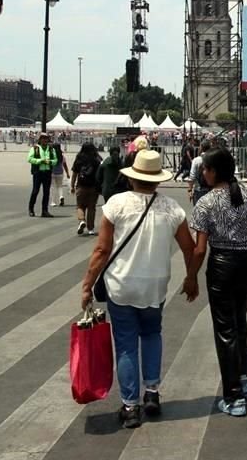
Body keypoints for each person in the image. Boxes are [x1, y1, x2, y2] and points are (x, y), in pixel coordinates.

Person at [80, 150, 198, 429]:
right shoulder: (173, 209)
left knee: (125, 346)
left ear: (132, 177)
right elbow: (189, 248)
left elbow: (101, 250)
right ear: (157, 180)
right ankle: (152, 393)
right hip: (155, 287)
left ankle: (130, 406)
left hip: (121, 286)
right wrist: (191, 278)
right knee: (152, 335)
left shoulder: (115, 205)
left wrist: (87, 285)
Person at [187, 148, 247, 418]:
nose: (203, 173)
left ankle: (233, 395)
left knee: (225, 329)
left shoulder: (206, 202)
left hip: (222, 265)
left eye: (206, 169)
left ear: (214, 171)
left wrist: (191, 276)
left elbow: (200, 249)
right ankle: (242, 376)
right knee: (239, 320)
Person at [71, 143, 103, 236]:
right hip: (94, 186)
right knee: (91, 207)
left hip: (81, 185)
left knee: (80, 206)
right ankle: (91, 229)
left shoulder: (79, 158)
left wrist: (72, 186)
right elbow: (101, 172)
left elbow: (74, 173)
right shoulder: (97, 159)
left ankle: (81, 221)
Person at [27, 133, 57, 217]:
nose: (44, 140)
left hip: (47, 172)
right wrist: (40, 161)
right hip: (38, 172)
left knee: (46, 192)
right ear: (39, 140)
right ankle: (31, 209)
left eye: (46, 138)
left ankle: (45, 210)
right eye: (42, 138)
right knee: (35, 191)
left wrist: (50, 162)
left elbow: (55, 160)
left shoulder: (51, 149)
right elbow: (29, 159)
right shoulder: (35, 148)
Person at [187, 139, 213, 205]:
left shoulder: (196, 160)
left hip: (199, 189)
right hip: (211, 189)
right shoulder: (214, 158)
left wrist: (190, 190)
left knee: (198, 212)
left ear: (201, 148)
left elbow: (192, 176)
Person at [50, 142, 70, 207]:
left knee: (53, 187)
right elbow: (65, 165)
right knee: (60, 186)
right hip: (60, 172)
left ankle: (53, 201)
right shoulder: (62, 156)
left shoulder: (51, 155)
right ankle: (61, 196)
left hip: (52, 172)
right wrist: (67, 173)